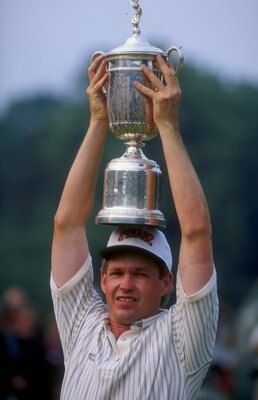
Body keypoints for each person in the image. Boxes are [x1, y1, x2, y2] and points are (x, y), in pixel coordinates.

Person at [51, 54, 219, 400]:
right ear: (102, 278)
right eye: (117, 272)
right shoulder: (82, 325)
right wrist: (99, 120)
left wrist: (168, 127)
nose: (125, 284)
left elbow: (197, 232)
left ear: (166, 283)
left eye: (141, 273)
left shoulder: (182, 339)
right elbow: (66, 225)